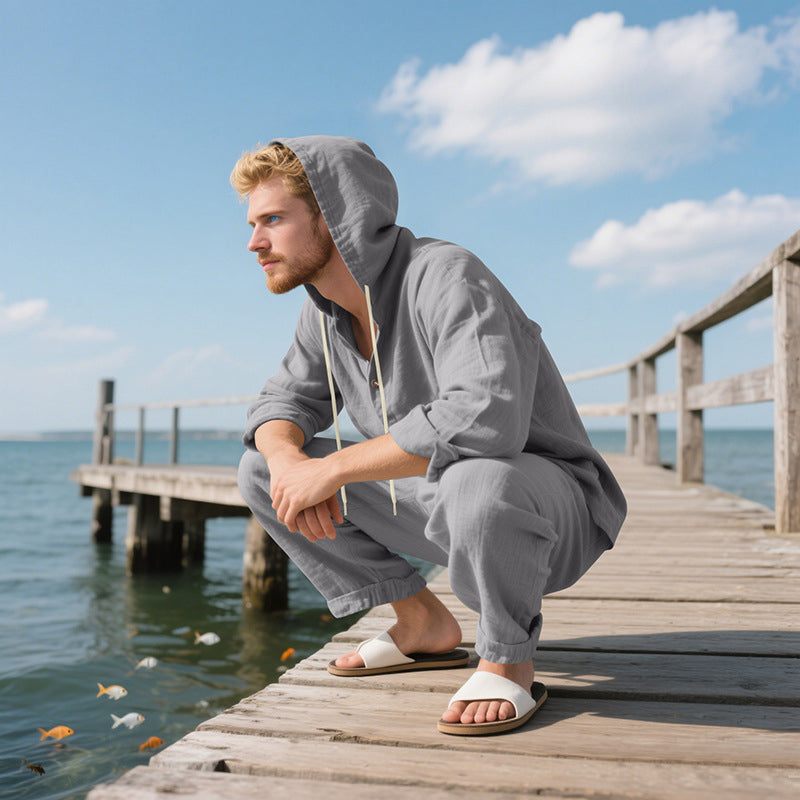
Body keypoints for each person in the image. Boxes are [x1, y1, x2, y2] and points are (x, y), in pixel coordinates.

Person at [233, 135, 626, 736]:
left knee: (477, 475)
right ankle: (421, 624)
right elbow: (283, 401)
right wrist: (288, 459)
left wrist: (332, 469)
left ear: (337, 214)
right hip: (439, 502)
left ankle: (508, 659)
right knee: (260, 469)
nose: (255, 242)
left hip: (543, 507)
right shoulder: (322, 310)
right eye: (254, 223)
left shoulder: (446, 274)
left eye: (274, 220)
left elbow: (484, 416)